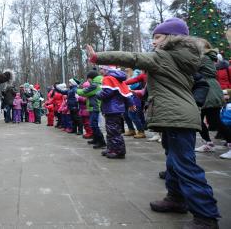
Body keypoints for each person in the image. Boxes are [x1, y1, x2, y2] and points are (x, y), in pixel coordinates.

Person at [86, 17, 220, 228]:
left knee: (185, 165)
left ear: (171, 38)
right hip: (177, 116)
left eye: (157, 37)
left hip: (176, 117)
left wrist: (97, 57)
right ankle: (176, 198)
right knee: (173, 160)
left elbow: (132, 57)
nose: (153, 42)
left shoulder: (163, 56)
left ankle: (206, 216)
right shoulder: (185, 59)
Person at [195, 44, 225, 153]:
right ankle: (208, 143)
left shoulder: (203, 57)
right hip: (209, 88)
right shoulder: (208, 57)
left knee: (214, 120)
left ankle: (226, 142)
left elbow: (190, 66)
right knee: (200, 119)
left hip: (208, 90)